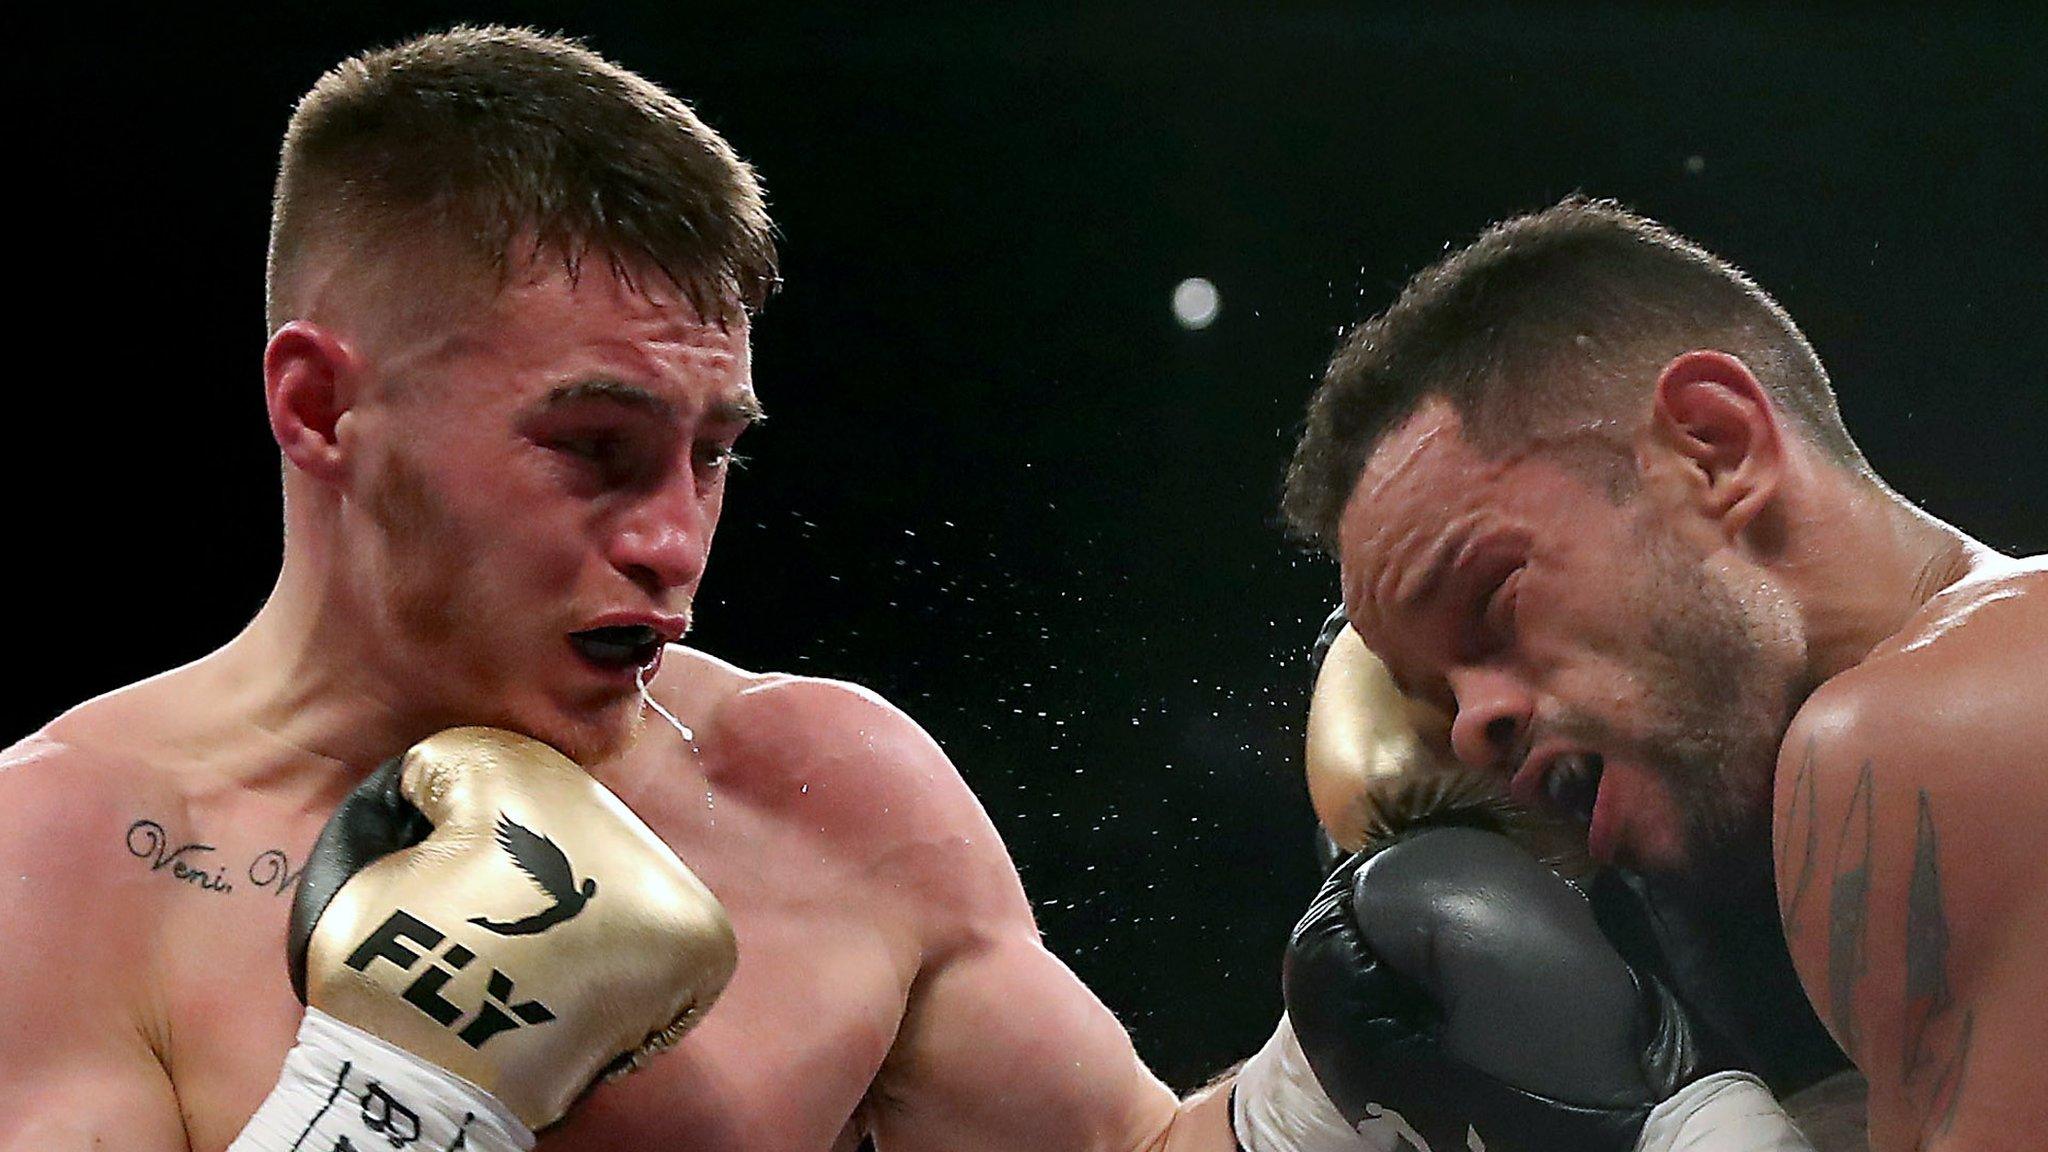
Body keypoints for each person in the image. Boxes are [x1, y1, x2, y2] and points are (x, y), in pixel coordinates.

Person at [0, 25, 1294, 1152]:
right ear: (322, 405)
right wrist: (388, 1113)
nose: (674, 540)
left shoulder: (821, 795)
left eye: (713, 454)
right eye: (593, 448)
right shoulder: (65, 861)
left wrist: (1333, 1089)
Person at [1276, 197, 2045, 1151]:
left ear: (1714, 451)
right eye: (1442, 703)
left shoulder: (1926, 729)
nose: (1473, 727)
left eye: (1493, 601)